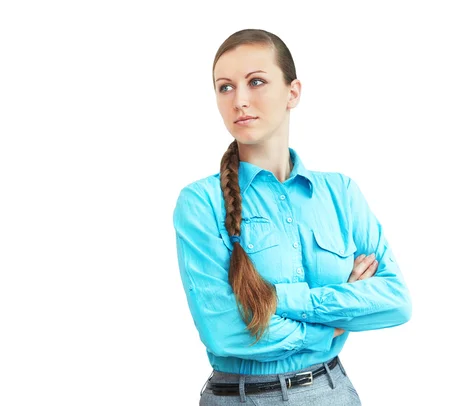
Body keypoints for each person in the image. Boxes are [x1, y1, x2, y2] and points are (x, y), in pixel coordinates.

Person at [172, 28, 412, 405]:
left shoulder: (341, 194)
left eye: (256, 82)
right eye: (225, 87)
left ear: (293, 92)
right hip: (241, 398)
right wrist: (334, 320)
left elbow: (395, 300)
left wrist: (277, 299)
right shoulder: (200, 203)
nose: (240, 100)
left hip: (334, 392)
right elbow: (224, 331)